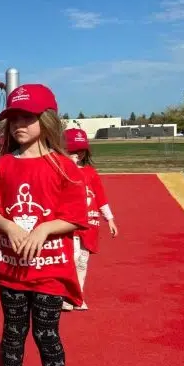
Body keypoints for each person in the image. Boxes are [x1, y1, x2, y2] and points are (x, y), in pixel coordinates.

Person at [0, 83, 88, 366]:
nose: (18, 124)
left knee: (46, 333)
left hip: (50, 270)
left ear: (46, 120)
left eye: (27, 117)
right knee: (13, 331)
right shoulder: (2, 166)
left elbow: (76, 215)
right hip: (11, 268)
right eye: (13, 118)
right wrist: (7, 224)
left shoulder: (65, 167)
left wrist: (44, 230)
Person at [62, 128, 119, 311]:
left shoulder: (91, 173)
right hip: (70, 222)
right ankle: (66, 296)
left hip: (90, 223)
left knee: (82, 261)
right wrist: (67, 166)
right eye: (71, 150)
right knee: (72, 257)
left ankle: (77, 296)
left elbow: (100, 197)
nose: (76, 154)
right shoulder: (60, 170)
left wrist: (109, 219)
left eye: (79, 150)